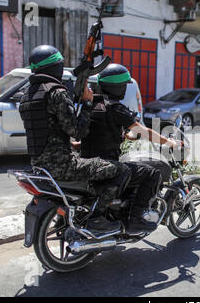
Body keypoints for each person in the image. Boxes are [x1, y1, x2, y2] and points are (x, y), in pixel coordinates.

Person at [19, 45, 128, 233]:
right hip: (63, 167)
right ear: (55, 67)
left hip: (39, 165)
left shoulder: (27, 96)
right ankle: (98, 219)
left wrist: (69, 144)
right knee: (120, 170)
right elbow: (77, 131)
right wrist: (87, 102)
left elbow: (46, 130)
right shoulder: (56, 92)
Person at [77, 64, 183, 234]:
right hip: (107, 164)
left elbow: (101, 132)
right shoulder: (115, 107)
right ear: (117, 87)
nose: (125, 89)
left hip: (86, 161)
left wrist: (125, 135)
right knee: (152, 174)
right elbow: (144, 131)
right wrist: (169, 142)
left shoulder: (90, 104)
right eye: (124, 85)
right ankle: (136, 220)